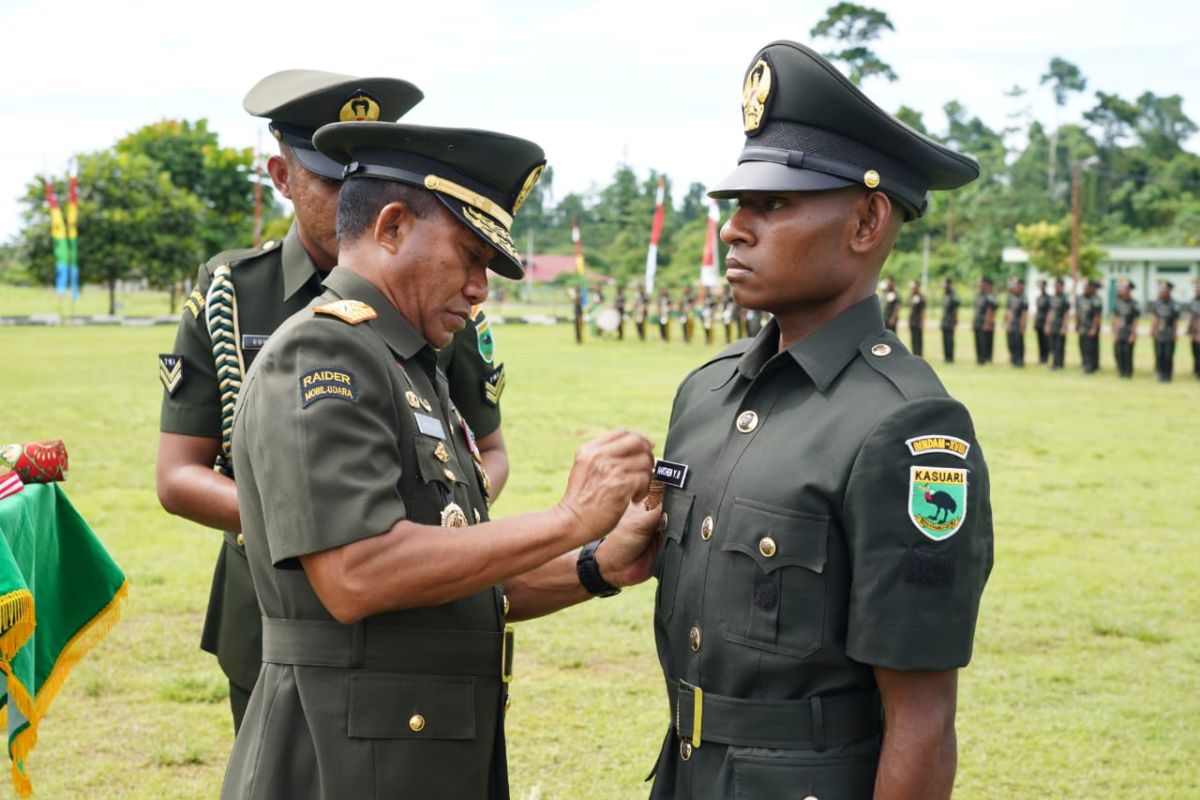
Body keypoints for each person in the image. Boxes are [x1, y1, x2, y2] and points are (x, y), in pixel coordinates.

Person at [221, 121, 661, 800]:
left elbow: (458, 578)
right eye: (470, 256)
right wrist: (572, 517)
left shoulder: (407, 365)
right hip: (340, 763)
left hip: (412, 753)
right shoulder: (325, 354)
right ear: (392, 227)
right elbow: (358, 573)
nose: (481, 286)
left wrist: (598, 564)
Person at [648, 40, 993, 800]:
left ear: (867, 222)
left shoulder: (905, 425)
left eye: (773, 205)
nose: (736, 229)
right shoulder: (706, 395)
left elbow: (923, 719)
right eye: (739, 205)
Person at [156, 70, 516, 732]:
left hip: (413, 586)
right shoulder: (232, 291)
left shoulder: (430, 287)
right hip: (270, 603)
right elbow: (177, 474)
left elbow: (485, 453)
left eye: (363, 176)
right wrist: (316, 523)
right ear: (280, 175)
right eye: (329, 177)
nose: (350, 193)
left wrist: (426, 531)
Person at [1150, 280, 1181, 382]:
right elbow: (1154, 318)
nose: (1160, 291)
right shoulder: (1157, 303)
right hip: (1159, 333)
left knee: (1168, 355)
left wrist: (1175, 333)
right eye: (1159, 289)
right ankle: (1160, 374)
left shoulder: (1174, 304)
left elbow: (1175, 321)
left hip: (1169, 333)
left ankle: (1167, 376)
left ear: (1169, 291)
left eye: (1163, 289)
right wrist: (1152, 330)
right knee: (1159, 354)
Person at [1111, 279, 1139, 378]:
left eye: (1123, 288)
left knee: (1127, 353)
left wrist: (1133, 334)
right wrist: (1114, 332)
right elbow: (1114, 318)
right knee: (1118, 352)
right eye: (1119, 288)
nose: (1120, 290)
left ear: (1129, 290)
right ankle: (1121, 371)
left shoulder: (1134, 303)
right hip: (1119, 331)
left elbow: (1135, 320)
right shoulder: (1117, 303)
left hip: (1128, 331)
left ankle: (1128, 372)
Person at [1077, 278, 1103, 373]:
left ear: (1092, 288)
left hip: (1091, 327)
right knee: (1083, 346)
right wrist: (1078, 325)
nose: (1085, 289)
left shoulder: (1096, 299)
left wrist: (1094, 328)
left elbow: (1097, 315)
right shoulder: (1081, 298)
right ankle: (1085, 363)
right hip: (1083, 326)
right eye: (1084, 287)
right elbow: (1078, 313)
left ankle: (1092, 365)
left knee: (1092, 347)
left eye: (1087, 287)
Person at [1046, 277, 1070, 370]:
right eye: (1055, 286)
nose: (1056, 288)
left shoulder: (1065, 298)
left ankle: (1059, 364)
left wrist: (1064, 326)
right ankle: (1054, 363)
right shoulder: (1053, 298)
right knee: (1053, 345)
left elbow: (1066, 314)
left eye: (1058, 286)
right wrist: (1047, 324)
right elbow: (1050, 312)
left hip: (1060, 324)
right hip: (1053, 325)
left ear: (1062, 287)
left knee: (1059, 346)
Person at [1004, 276, 1029, 367]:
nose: (1015, 288)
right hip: (1012, 324)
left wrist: (1022, 326)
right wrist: (1007, 323)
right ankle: (1013, 359)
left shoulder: (1023, 298)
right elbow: (1008, 311)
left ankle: (1019, 361)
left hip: (1018, 324)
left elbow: (1024, 314)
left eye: (1017, 286)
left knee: (1019, 343)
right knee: (1012, 343)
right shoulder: (1011, 297)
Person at [971, 276, 996, 365]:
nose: (979, 285)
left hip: (984, 322)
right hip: (978, 322)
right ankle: (979, 359)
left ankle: (986, 359)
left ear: (985, 285)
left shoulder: (989, 296)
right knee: (978, 342)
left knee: (985, 342)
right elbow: (975, 310)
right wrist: (973, 321)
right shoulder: (978, 296)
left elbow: (990, 310)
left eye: (980, 283)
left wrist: (987, 323)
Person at [940, 276, 959, 363]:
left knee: (949, 340)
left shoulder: (953, 295)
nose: (943, 286)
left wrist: (954, 321)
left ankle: (950, 357)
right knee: (945, 340)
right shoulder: (945, 294)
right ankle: (946, 357)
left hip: (950, 320)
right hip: (944, 320)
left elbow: (955, 310)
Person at [1033, 278, 1051, 363]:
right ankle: (1041, 357)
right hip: (1039, 322)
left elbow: (1049, 312)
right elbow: (1037, 310)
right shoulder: (1038, 298)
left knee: (1046, 341)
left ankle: (1045, 357)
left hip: (1045, 322)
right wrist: (1035, 321)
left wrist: (1047, 324)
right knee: (1039, 341)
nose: (1041, 287)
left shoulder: (1049, 298)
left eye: (1042, 285)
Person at [908, 280, 925, 357]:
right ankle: (914, 352)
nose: (913, 289)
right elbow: (910, 309)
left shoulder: (921, 297)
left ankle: (919, 353)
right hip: (912, 320)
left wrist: (922, 322)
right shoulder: (911, 297)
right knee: (913, 337)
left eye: (914, 287)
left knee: (918, 338)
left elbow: (923, 311)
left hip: (918, 320)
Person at [1190, 279, 1200, 379]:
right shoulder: (1193, 301)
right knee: (1195, 353)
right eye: (1196, 288)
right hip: (1195, 333)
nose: (1197, 290)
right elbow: (1192, 317)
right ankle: (1196, 372)